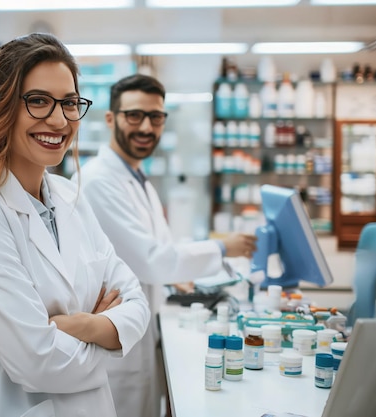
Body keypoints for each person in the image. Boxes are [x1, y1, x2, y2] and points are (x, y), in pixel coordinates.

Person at [0, 33, 150, 417]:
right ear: (1, 108)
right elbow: (38, 362)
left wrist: (76, 325)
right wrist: (110, 334)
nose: (59, 119)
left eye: (69, 103)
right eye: (38, 101)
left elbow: (136, 302)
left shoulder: (69, 196)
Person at [74, 74, 257, 417]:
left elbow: (156, 248)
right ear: (111, 119)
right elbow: (152, 259)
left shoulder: (137, 179)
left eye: (155, 117)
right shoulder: (100, 181)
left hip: (141, 331)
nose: (146, 127)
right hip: (118, 343)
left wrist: (177, 275)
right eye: (134, 115)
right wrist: (220, 249)